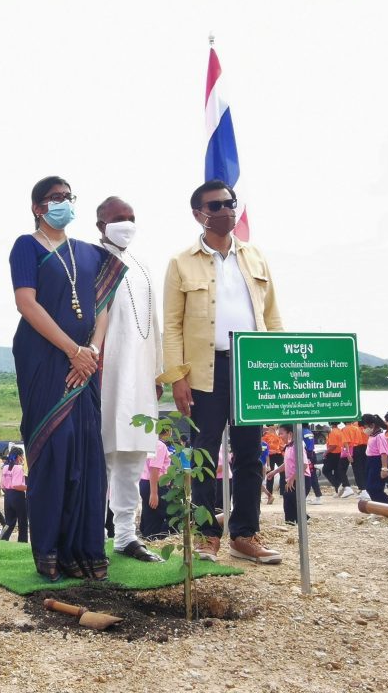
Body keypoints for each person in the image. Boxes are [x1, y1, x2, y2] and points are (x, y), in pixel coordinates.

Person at [159, 180, 283, 564]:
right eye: (216, 205)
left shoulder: (255, 257)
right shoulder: (181, 262)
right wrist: (177, 377)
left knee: (250, 454)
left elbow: (272, 317)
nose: (227, 210)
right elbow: (172, 325)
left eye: (231, 203)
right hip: (203, 372)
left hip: (250, 369)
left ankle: (245, 535)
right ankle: (205, 535)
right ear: (199, 214)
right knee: (203, 454)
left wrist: (276, 370)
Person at [10, 176, 125, 582]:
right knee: (55, 448)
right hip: (43, 359)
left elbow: (102, 307)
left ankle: (84, 551)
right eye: (55, 198)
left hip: (86, 363)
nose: (63, 203)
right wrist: (71, 350)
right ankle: (49, 550)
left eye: (68, 197)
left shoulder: (90, 253)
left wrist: (90, 350)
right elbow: (26, 304)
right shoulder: (26, 246)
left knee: (86, 452)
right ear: (38, 207)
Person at [95, 196, 165, 564]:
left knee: (133, 454)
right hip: (105, 372)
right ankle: (92, 536)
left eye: (131, 217)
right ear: (100, 225)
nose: (126, 223)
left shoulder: (142, 264)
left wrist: (157, 371)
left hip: (140, 373)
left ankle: (125, 536)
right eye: (118, 218)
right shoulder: (91, 259)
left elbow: (154, 322)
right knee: (101, 455)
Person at [139, 436, 173, 540]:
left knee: (151, 516)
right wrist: (154, 493)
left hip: (145, 483)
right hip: (156, 484)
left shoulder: (147, 443)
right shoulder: (159, 445)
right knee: (175, 514)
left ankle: (150, 537)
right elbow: (154, 469)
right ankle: (162, 536)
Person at [361, 414, 388, 505]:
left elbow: (383, 453)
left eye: (365, 427)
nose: (364, 429)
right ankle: (379, 507)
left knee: (375, 488)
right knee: (370, 487)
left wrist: (384, 468)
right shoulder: (372, 435)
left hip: (377, 462)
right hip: (370, 461)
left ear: (372, 425)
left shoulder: (379, 436)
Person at [0, 447, 29, 543]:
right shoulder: (19, 468)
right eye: (22, 456)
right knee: (22, 521)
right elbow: (16, 485)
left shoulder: (5, 467)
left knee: (9, 522)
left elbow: (2, 485)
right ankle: (22, 543)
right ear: (19, 456)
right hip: (17, 496)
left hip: (7, 496)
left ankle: (2, 541)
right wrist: (29, 487)